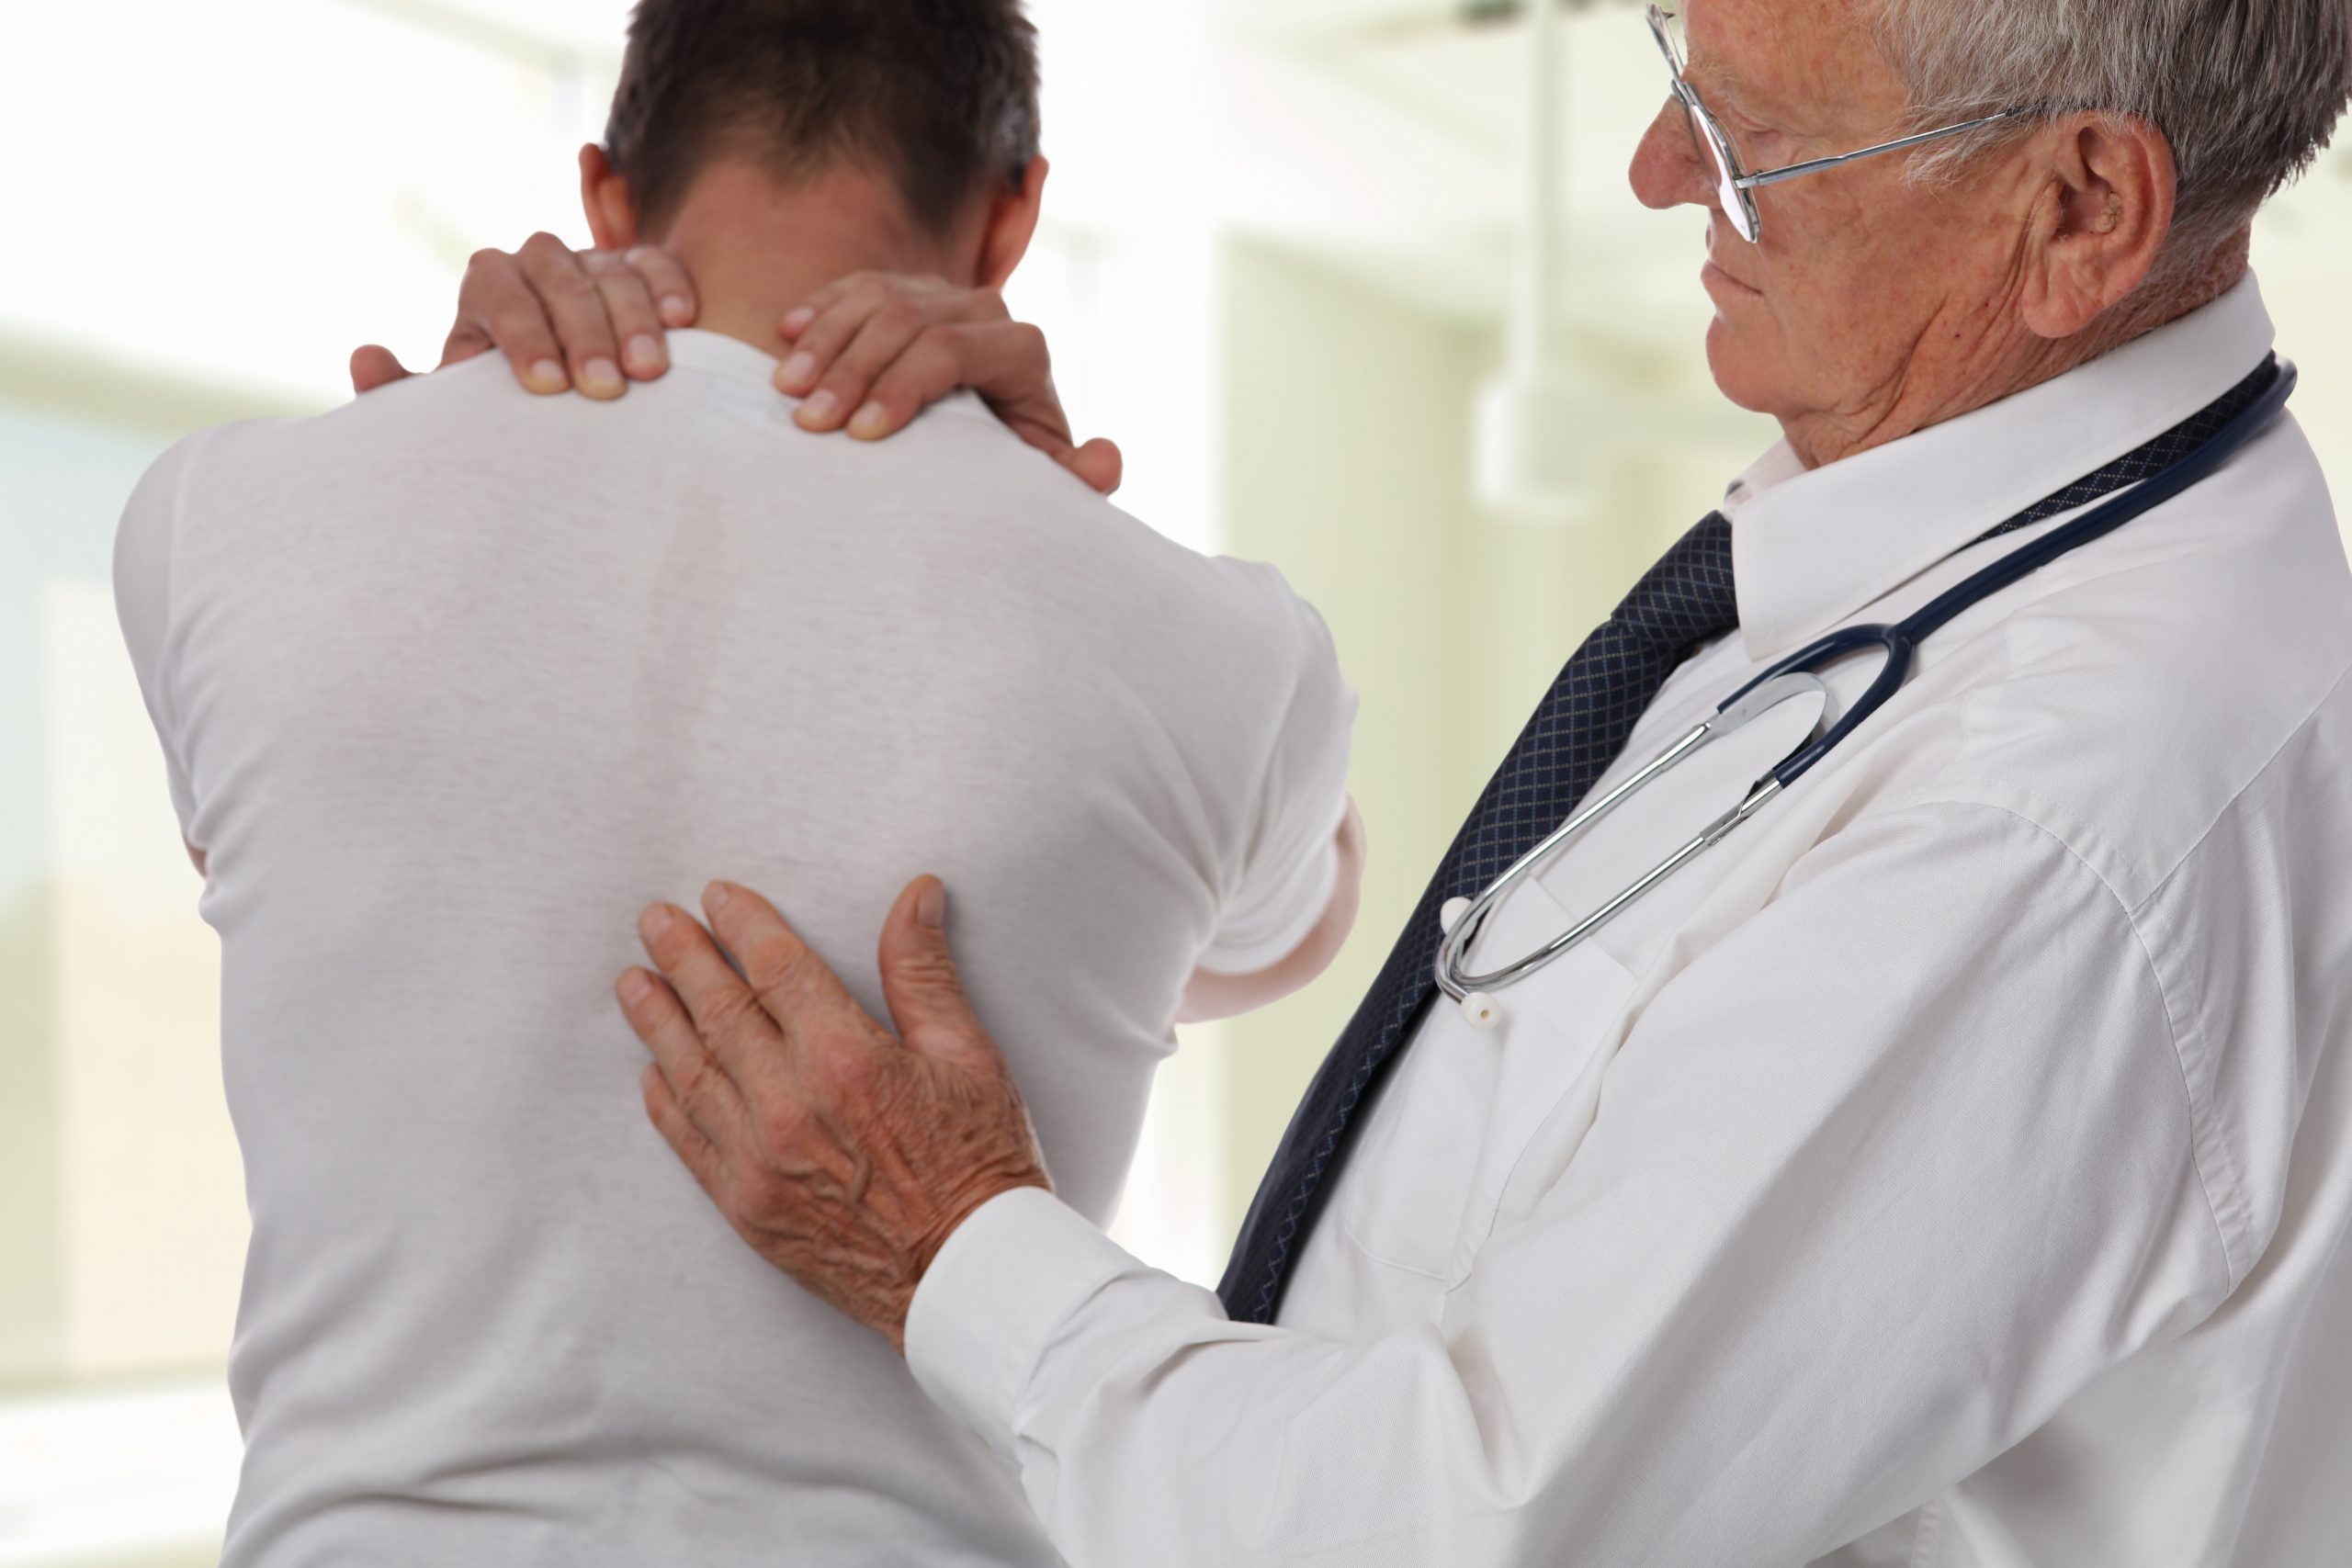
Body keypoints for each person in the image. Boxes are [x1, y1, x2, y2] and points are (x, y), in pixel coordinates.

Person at [403, 2, 2352, 1564]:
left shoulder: (2059, 814)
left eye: (1751, 133)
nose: (1656, 166)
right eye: (1674, 63)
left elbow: (1457, 1520)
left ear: (2078, 209)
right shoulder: (1907, 555)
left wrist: (943, 1240)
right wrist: (1017, 547)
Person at [112, 2, 1364, 1563]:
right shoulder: (1224, 651)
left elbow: (288, 864)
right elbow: (1291, 931)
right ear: (1012, 218)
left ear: (605, 193)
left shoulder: (218, 517)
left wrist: (418, 468)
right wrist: (1081, 539)